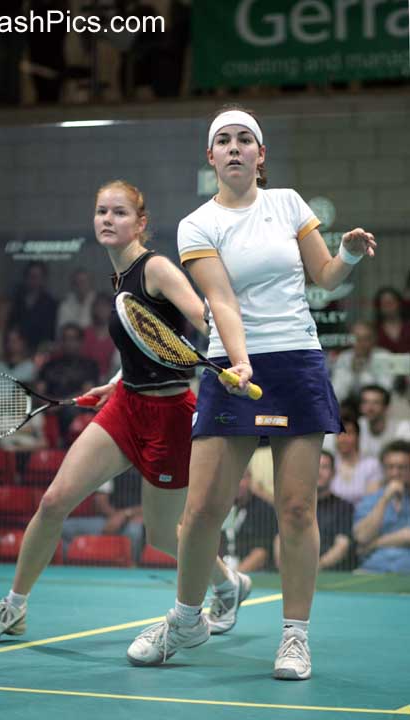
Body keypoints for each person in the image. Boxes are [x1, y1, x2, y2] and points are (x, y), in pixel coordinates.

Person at [126, 106, 376, 680]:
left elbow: (324, 276)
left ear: (261, 155)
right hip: (228, 368)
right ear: (210, 156)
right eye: (224, 141)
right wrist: (238, 360)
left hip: (297, 363)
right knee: (200, 511)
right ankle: (186, 620)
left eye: (245, 140)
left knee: (297, 508)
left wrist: (348, 253)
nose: (234, 147)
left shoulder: (288, 204)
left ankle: (295, 637)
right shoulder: (197, 224)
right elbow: (221, 301)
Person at [0, 180, 249, 642]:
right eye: (101, 212)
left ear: (140, 222)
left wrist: (233, 361)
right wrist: (115, 382)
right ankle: (13, 607)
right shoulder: (119, 277)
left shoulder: (156, 268)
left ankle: (228, 583)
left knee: (161, 535)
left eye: (119, 212)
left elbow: (206, 318)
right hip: (126, 405)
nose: (108, 220)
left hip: (170, 414)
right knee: (54, 501)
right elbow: (146, 338)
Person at [274, 451, 354, 572]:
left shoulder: (344, 507)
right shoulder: (292, 505)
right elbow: (280, 539)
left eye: (324, 467)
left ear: (333, 473)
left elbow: (342, 546)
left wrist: (316, 567)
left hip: (330, 573)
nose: (318, 472)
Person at [353, 440, 410, 573]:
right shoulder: (370, 500)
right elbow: (362, 537)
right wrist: (385, 499)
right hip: (372, 569)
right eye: (390, 467)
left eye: (402, 467)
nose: (395, 473)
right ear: (383, 469)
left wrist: (374, 544)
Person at [330, 321, 394, 404]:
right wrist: (352, 373)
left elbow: (385, 390)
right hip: (349, 406)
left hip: (376, 406)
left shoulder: (385, 357)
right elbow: (337, 393)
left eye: (366, 339)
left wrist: (362, 372)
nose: (361, 343)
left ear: (374, 340)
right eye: (356, 338)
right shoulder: (344, 358)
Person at [329, 418, 382, 505]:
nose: (343, 438)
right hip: (332, 512)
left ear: (358, 437)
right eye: (339, 433)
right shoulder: (328, 464)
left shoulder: (372, 465)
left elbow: (372, 500)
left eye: (348, 433)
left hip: (363, 512)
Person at [358, 385, 410, 460]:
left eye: (376, 403)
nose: (370, 408)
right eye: (365, 402)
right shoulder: (356, 427)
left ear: (386, 407)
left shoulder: (403, 429)